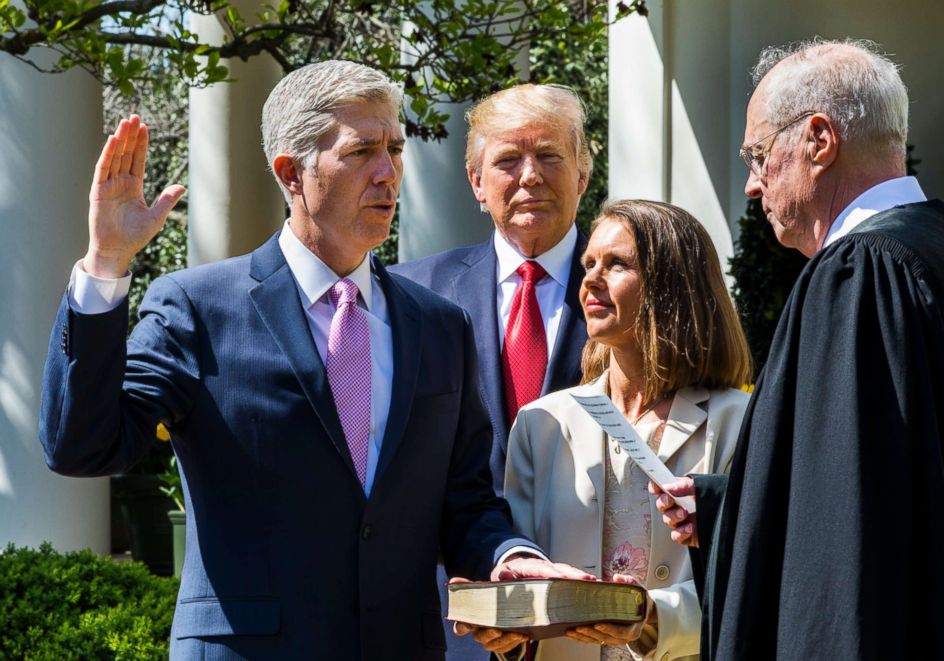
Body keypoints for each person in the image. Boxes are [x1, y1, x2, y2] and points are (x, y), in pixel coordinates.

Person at [37, 60, 592, 660]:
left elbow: (465, 502)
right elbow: (82, 445)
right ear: (291, 173)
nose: (388, 174)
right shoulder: (199, 307)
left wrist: (509, 558)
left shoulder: (437, 325)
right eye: (361, 153)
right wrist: (106, 264)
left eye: (395, 149)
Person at [657, 39, 944, 660]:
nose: (753, 186)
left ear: (818, 139)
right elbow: (904, 489)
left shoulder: (861, 274)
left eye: (758, 156)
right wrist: (727, 507)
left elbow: (846, 545)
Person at [462, 200, 752, 660]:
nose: (591, 280)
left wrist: (653, 619)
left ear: (672, 285)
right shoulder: (542, 423)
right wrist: (507, 628)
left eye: (617, 264)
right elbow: (527, 575)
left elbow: (754, 584)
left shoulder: (742, 421)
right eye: (588, 264)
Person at [392, 83, 593, 660]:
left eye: (550, 156)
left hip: (593, 613)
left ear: (582, 173)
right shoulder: (410, 296)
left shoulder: (636, 292)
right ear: (477, 183)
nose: (529, 175)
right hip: (453, 617)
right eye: (507, 160)